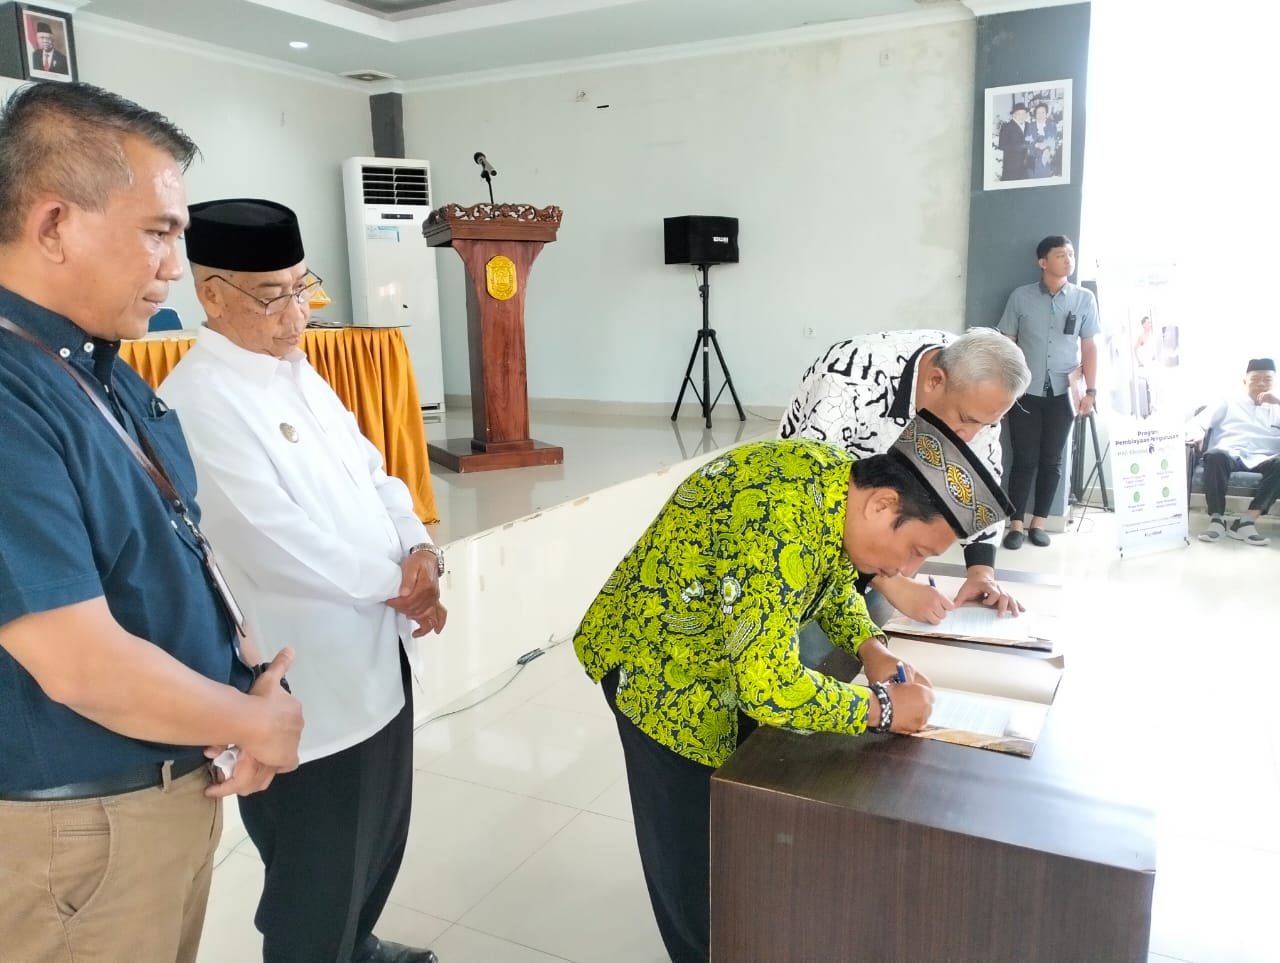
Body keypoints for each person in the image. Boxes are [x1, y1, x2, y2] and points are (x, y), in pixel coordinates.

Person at [0, 83, 303, 963]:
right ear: (53, 224)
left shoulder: (96, 364)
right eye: (159, 232)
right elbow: (79, 661)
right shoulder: (12, 392)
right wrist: (252, 721)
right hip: (81, 825)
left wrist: (241, 690)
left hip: (163, 784)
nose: (176, 267)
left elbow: (169, 552)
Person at [573, 411, 1014, 963]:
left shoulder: (837, 483)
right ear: (883, 504)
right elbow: (768, 685)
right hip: (659, 669)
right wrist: (881, 708)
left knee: (734, 825)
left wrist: (871, 648)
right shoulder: (778, 515)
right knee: (691, 860)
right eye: (916, 550)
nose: (909, 568)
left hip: (720, 657)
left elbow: (828, 579)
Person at [158, 198, 447, 963]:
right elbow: (278, 542)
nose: (297, 314)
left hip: (378, 655)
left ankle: (359, 944)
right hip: (305, 686)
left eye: (301, 287)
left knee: (377, 839)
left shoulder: (298, 372)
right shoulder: (198, 400)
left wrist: (421, 548)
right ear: (211, 294)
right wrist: (402, 582)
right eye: (272, 295)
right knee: (314, 877)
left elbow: (376, 472)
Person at [780, 326, 1031, 622]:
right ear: (935, 380)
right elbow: (811, 497)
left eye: (986, 424)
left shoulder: (975, 395)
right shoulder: (847, 380)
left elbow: (979, 483)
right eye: (967, 420)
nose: (970, 436)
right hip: (804, 531)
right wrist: (894, 584)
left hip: (883, 543)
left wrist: (981, 573)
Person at [997, 234, 1100, 549]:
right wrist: (1006, 387)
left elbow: (1089, 346)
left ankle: (1039, 523)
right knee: (1023, 458)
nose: (1068, 260)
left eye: (1071, 254)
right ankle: (1016, 523)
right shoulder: (1021, 297)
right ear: (1043, 262)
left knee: (1052, 459)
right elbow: (1007, 343)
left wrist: (1091, 391)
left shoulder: (1083, 299)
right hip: (1024, 392)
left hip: (1064, 393)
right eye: (1060, 255)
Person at [1189, 357, 1280, 546]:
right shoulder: (1228, 402)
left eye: (1267, 379)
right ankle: (1217, 520)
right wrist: (1197, 432)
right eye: (1255, 379)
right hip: (1229, 452)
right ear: (1245, 381)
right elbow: (1199, 422)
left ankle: (1246, 522)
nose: (1261, 384)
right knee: (1215, 455)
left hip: (1265, 457)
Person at [998, 101, 1031, 181]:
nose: (1022, 116)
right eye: (1019, 114)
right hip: (1012, 166)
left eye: (1024, 113)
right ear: (1014, 115)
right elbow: (1002, 145)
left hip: (1026, 165)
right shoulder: (1007, 127)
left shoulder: (1028, 125)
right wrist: (1020, 146)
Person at [1028, 102, 1058, 178]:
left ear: (1046, 114)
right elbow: (1026, 142)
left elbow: (1053, 141)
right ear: (1035, 115)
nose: (1040, 115)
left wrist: (1047, 145)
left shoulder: (1052, 125)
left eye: (1043, 112)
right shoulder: (1030, 126)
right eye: (1038, 113)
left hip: (1046, 158)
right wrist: (1036, 144)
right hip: (1033, 159)